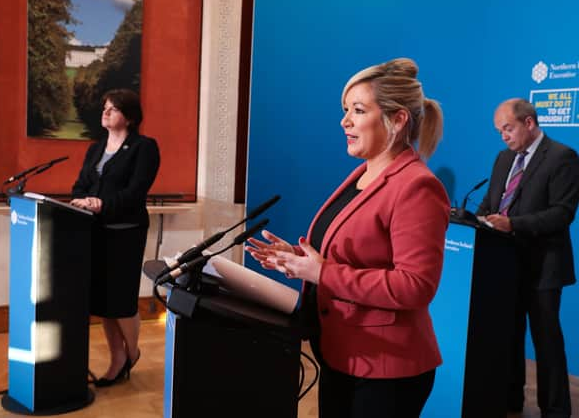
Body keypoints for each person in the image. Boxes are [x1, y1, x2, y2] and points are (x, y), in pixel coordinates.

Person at [245, 58, 450, 417]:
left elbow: (416, 285)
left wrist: (322, 273)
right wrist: (297, 258)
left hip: (388, 367)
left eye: (357, 110)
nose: (345, 122)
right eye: (345, 110)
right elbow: (350, 255)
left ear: (397, 119)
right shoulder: (362, 174)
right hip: (344, 353)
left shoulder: (417, 186)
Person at [477, 98, 579, 418]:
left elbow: (562, 215)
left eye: (508, 129)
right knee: (508, 336)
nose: (504, 136)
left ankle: (556, 410)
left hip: (543, 267)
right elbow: (490, 203)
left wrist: (513, 224)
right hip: (505, 266)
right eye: (500, 131)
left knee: (546, 341)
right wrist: (475, 218)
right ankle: (511, 401)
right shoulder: (503, 159)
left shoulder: (562, 157)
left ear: (529, 123)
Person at [70, 88, 160, 387]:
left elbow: (135, 193)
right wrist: (83, 200)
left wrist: (103, 204)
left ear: (130, 117)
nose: (105, 112)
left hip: (125, 232)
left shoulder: (144, 147)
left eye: (114, 108)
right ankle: (116, 359)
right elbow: (80, 184)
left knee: (121, 300)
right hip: (94, 231)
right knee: (104, 301)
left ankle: (131, 352)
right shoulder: (95, 148)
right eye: (105, 108)